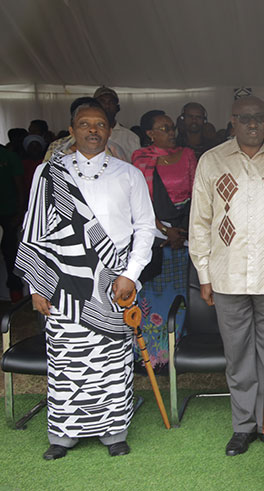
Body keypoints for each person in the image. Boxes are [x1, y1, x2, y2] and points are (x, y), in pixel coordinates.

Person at [16, 97, 156, 459]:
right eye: (85, 124)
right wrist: (36, 285)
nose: (93, 130)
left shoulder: (129, 174)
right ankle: (63, 434)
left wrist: (130, 274)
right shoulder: (48, 173)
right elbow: (33, 231)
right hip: (63, 285)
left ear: (110, 131)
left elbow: (144, 228)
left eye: (100, 124)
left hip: (114, 285)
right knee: (66, 360)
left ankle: (115, 431)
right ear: (72, 130)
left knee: (112, 360)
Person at [189, 96, 264, 455]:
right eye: (246, 118)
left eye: (260, 118)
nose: (253, 124)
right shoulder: (212, 161)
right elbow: (200, 222)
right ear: (233, 121)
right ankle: (243, 426)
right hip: (226, 276)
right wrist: (204, 273)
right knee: (238, 354)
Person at [131, 110, 198, 369]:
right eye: (164, 128)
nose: (172, 132)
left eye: (172, 128)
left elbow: (197, 193)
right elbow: (140, 202)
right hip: (155, 237)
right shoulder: (141, 159)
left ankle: (178, 350)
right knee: (154, 294)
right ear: (150, 133)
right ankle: (153, 356)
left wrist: (184, 230)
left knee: (184, 292)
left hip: (185, 234)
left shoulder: (188, 155)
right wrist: (163, 230)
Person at [0, 139, 25, 302]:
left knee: (10, 256)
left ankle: (16, 298)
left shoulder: (9, 157)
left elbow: (20, 187)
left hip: (8, 213)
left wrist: (20, 212)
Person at [93, 86, 140, 160]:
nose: (107, 106)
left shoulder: (130, 137)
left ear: (117, 108)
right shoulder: (86, 134)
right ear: (94, 107)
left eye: (111, 102)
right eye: (102, 102)